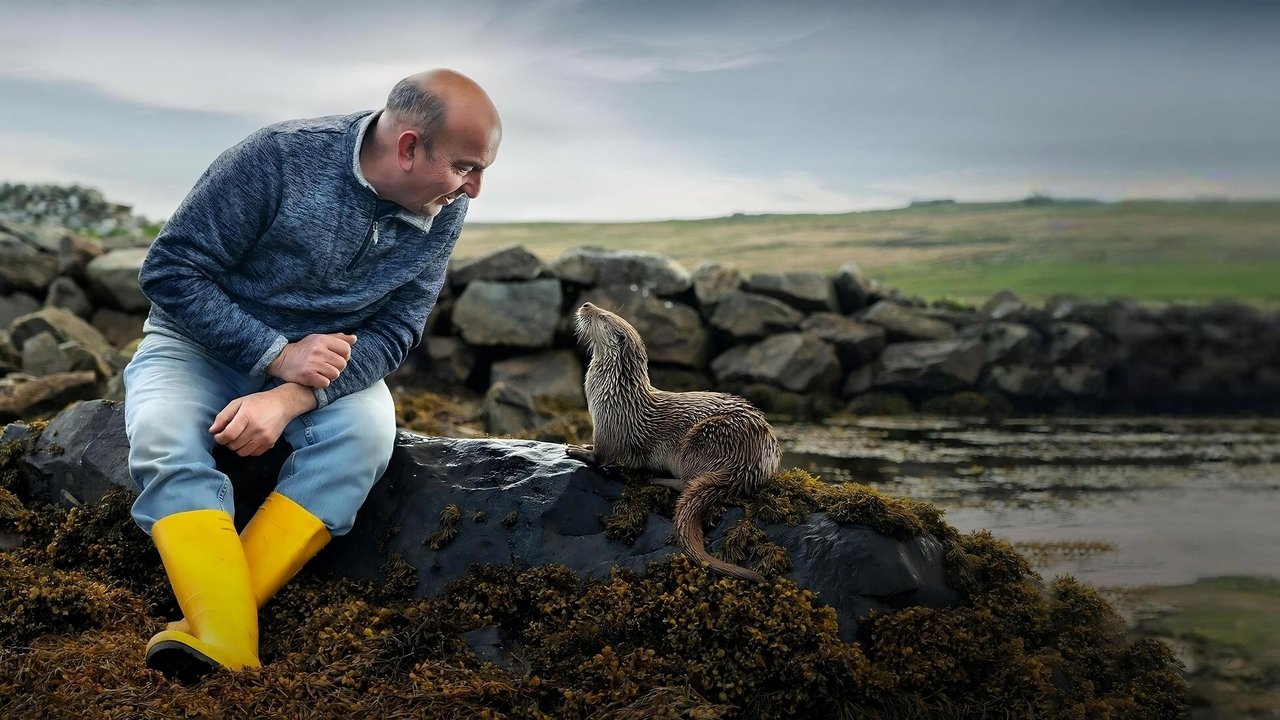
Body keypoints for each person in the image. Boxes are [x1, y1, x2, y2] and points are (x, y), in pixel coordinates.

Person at [123, 69, 501, 680]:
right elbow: (169, 271)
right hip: (194, 348)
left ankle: (219, 628)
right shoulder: (275, 158)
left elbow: (398, 331)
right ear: (408, 147)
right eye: (465, 167)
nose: (475, 189)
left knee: (367, 438)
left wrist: (293, 396)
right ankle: (233, 642)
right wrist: (274, 353)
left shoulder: (441, 207)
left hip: (326, 371)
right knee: (163, 435)